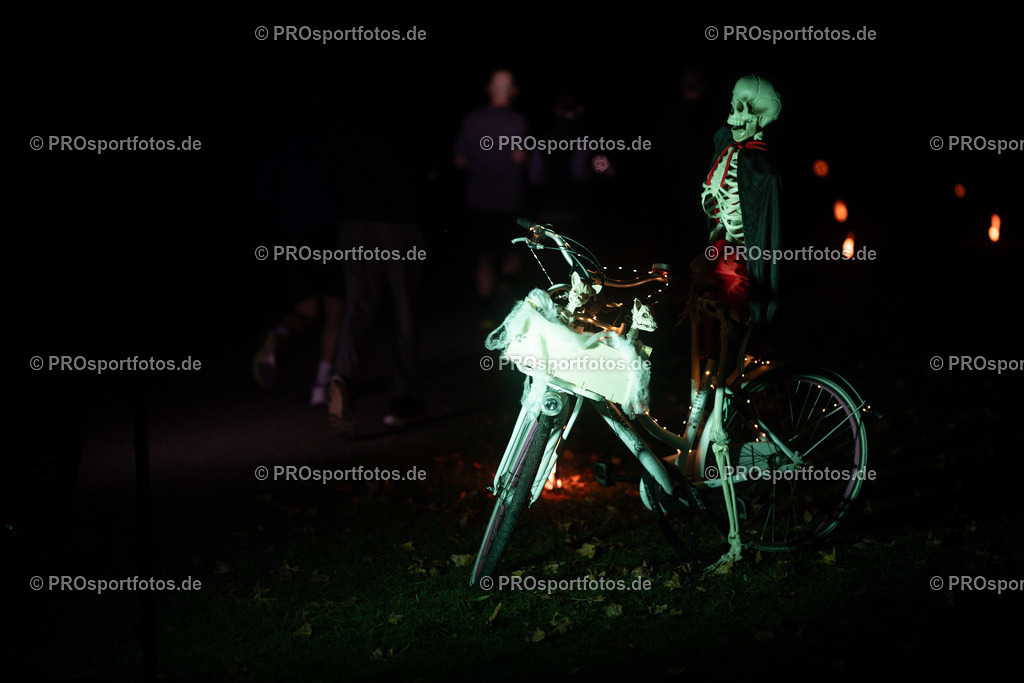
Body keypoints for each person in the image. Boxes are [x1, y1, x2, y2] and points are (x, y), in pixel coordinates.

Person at [327, 77, 427, 434]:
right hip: (398, 224)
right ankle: (400, 401)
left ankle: (341, 375)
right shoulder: (408, 117)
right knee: (405, 312)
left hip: (355, 222)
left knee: (359, 309)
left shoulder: (347, 119)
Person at [251, 85, 346, 405]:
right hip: (330, 231)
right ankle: (320, 388)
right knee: (335, 312)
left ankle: (276, 337)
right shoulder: (336, 136)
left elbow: (262, 188)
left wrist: (291, 204)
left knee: (304, 311)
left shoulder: (285, 137)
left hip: (293, 233)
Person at [453, 69, 528, 320]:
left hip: (479, 199)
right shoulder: (516, 121)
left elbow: (460, 160)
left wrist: (481, 164)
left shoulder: (472, 120)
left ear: (489, 89)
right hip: (509, 199)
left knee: (484, 256)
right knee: (514, 251)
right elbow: (519, 157)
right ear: (514, 91)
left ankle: (485, 312)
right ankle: (504, 295)